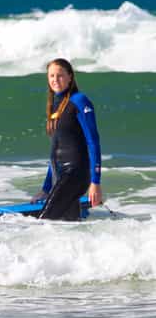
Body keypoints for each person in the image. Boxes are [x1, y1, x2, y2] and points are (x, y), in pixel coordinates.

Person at [31, 58, 102, 220]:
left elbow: (93, 142)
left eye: (60, 75)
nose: (55, 80)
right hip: (60, 175)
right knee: (68, 225)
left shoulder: (80, 101)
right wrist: (46, 187)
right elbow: (56, 150)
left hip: (75, 174)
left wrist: (95, 183)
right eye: (51, 76)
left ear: (70, 77)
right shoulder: (55, 105)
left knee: (44, 221)